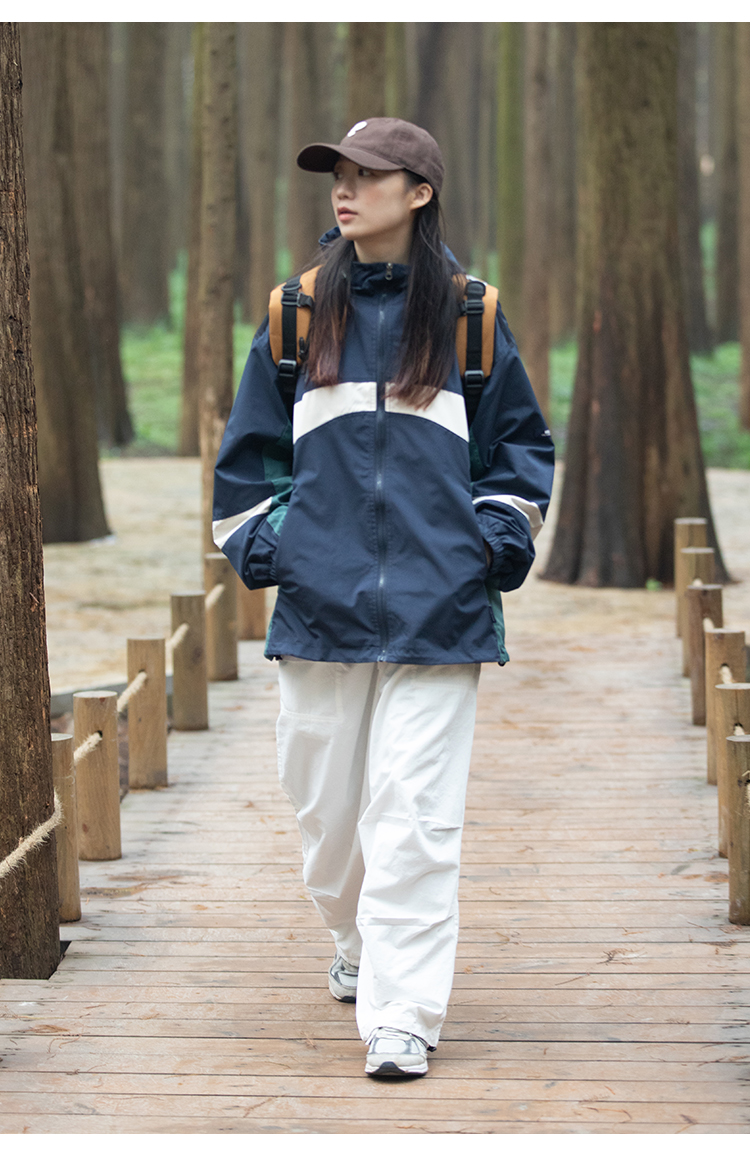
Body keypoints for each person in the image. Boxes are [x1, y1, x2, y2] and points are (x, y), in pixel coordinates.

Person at [213, 117, 554, 1078]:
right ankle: (355, 940)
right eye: (339, 172)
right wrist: (272, 548)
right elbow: (247, 458)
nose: (346, 188)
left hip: (442, 613)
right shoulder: (294, 314)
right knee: (327, 824)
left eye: (369, 174)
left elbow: (520, 452)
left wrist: (491, 541)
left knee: (414, 819)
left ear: (420, 192)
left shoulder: (470, 317)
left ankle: (403, 1015)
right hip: (318, 610)